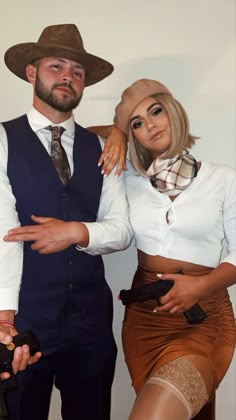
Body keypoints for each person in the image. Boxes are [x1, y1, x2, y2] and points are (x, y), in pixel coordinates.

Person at [79, 78, 236, 420]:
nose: (149, 125)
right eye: (137, 123)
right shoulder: (129, 179)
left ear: (174, 112)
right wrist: (116, 131)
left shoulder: (221, 178)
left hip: (203, 315)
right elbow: (75, 137)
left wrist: (200, 286)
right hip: (146, 319)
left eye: (155, 111)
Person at [0, 23, 132, 420]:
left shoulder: (103, 147)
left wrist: (77, 232)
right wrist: (4, 315)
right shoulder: (3, 140)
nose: (67, 77)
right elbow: (4, 233)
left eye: (76, 71)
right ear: (31, 73)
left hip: (91, 323)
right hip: (26, 316)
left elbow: (122, 228)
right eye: (56, 66)